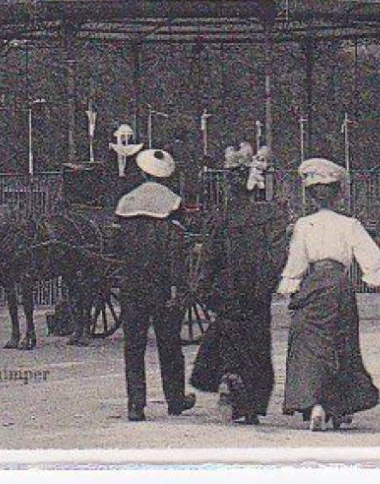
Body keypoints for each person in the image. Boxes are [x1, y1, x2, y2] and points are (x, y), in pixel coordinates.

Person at [277, 158, 380, 431]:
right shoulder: (350, 224)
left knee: (310, 345)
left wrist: (290, 289)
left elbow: (296, 266)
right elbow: (371, 262)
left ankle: (316, 405)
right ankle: (339, 406)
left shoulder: (303, 225)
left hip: (314, 287)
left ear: (310, 196)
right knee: (342, 345)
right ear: (338, 194)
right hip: (340, 287)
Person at [189, 163, 288, 425]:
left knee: (229, 338)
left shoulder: (219, 217)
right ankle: (253, 405)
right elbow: (278, 255)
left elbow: (209, 257)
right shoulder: (271, 215)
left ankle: (230, 382)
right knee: (257, 344)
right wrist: (266, 282)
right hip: (256, 291)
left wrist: (204, 286)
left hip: (226, 290)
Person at [117, 148, 195, 422]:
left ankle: (135, 405)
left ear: (141, 172)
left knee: (134, 346)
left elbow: (117, 248)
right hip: (162, 285)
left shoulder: (126, 202)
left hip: (131, 285)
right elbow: (177, 249)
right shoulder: (173, 203)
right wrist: (179, 285)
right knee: (169, 344)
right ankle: (175, 400)